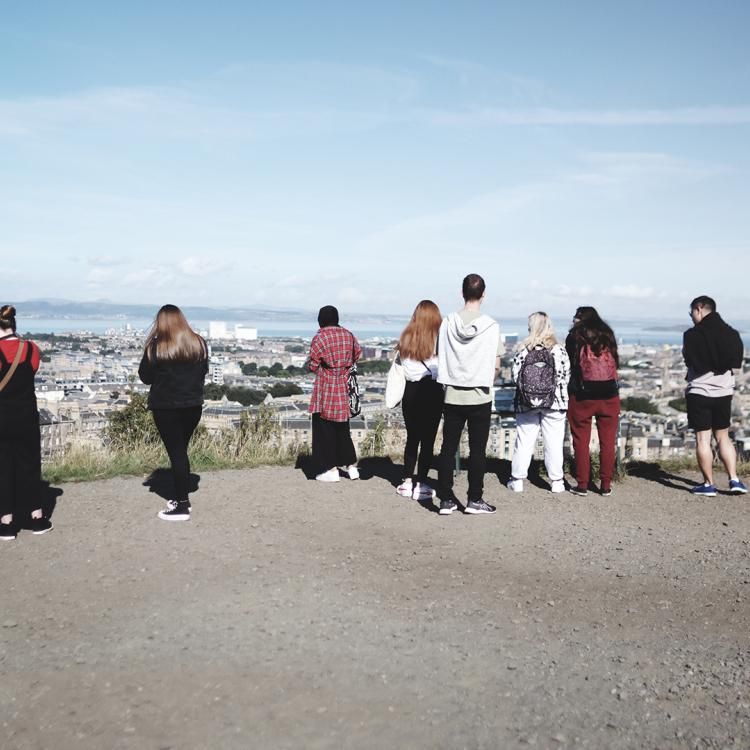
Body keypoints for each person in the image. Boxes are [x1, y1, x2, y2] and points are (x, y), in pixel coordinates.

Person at [436, 274, 501, 515]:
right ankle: (475, 499)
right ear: (483, 294)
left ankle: (445, 499)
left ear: (461, 293)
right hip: (480, 396)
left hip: (452, 394)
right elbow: (495, 366)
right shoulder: (491, 326)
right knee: (477, 451)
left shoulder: (448, 322)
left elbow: (441, 354)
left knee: (447, 448)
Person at [138, 304, 208, 521]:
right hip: (192, 406)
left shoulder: (156, 347)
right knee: (181, 451)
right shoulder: (198, 343)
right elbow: (203, 371)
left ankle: (182, 506)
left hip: (166, 407)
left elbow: (145, 377)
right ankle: (181, 496)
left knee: (177, 453)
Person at [683, 295, 746, 496]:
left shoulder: (692, 335)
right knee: (723, 437)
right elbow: (736, 363)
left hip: (700, 391)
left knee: (703, 439)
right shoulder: (732, 333)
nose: (691, 316)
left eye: (692, 312)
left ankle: (708, 484)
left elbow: (689, 360)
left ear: (700, 309)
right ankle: (734, 479)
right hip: (724, 392)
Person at [0, 305, 52, 540]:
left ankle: (7, 522)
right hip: (26, 416)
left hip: (2, 417)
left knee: (3, 467)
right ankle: (37, 518)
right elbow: (31, 371)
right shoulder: (32, 349)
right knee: (30, 465)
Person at [507, 312, 571, 494]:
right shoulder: (559, 350)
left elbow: (515, 377)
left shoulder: (523, 350)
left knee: (524, 441)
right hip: (555, 403)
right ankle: (557, 481)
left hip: (526, 402)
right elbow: (565, 377)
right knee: (554, 442)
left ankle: (517, 480)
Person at [565, 306, 620, 497]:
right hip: (609, 394)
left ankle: (582, 484)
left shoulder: (575, 335)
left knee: (581, 440)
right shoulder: (608, 334)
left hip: (582, 394)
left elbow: (570, 362)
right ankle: (605, 484)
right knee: (607, 441)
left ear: (580, 318)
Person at [394, 300, 444, 501]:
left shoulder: (406, 337)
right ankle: (421, 483)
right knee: (428, 439)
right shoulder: (440, 339)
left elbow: (402, 365)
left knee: (412, 437)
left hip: (411, 390)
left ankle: (406, 480)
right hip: (432, 390)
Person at [308, 306, 362, 482]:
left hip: (327, 387)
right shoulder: (349, 335)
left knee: (326, 429)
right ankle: (352, 467)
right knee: (343, 429)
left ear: (320, 320)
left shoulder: (320, 337)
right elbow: (358, 355)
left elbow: (313, 365)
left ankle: (331, 470)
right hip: (344, 387)